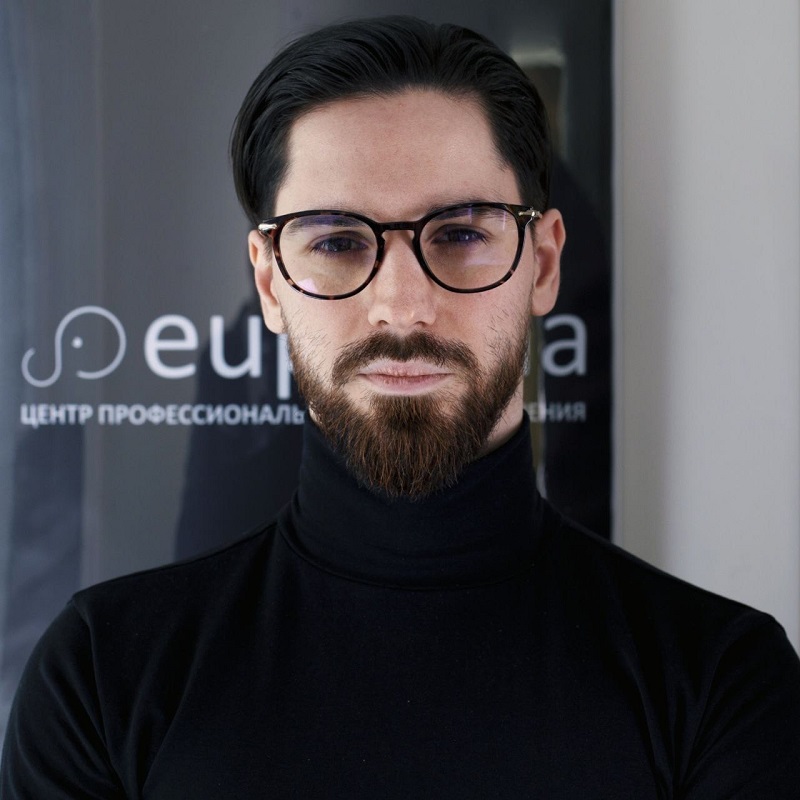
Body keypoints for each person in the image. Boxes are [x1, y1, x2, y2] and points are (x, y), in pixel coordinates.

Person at [2, 15, 799, 798]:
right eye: (337, 242)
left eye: (460, 234)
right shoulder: (101, 677)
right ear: (271, 283)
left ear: (544, 263)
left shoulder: (722, 680)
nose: (402, 307)